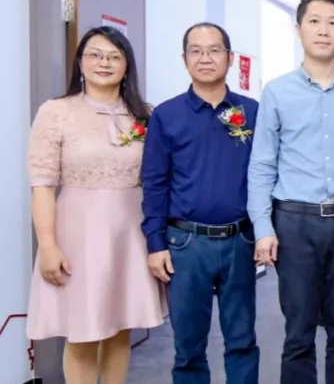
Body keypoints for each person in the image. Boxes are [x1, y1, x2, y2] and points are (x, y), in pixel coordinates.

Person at [247, 0, 334, 384]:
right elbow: (262, 164)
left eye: (332, 23)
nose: (323, 30)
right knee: (299, 332)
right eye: (314, 21)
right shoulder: (277, 91)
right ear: (298, 29)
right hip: (295, 222)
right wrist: (263, 228)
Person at [26, 26, 164, 384]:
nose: (104, 62)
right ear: (80, 62)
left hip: (130, 232)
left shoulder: (146, 115)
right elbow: (42, 185)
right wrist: (48, 245)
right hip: (78, 234)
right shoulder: (56, 111)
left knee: (120, 327)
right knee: (82, 330)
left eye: (115, 56)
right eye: (95, 54)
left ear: (127, 66)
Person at [141, 22, 259, 384]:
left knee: (242, 340)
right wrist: (155, 243)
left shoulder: (252, 111)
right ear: (184, 59)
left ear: (230, 57)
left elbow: (267, 175)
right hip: (185, 244)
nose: (205, 58)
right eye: (196, 50)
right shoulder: (166, 115)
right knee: (188, 348)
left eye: (214, 50)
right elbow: (155, 183)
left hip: (241, 240)